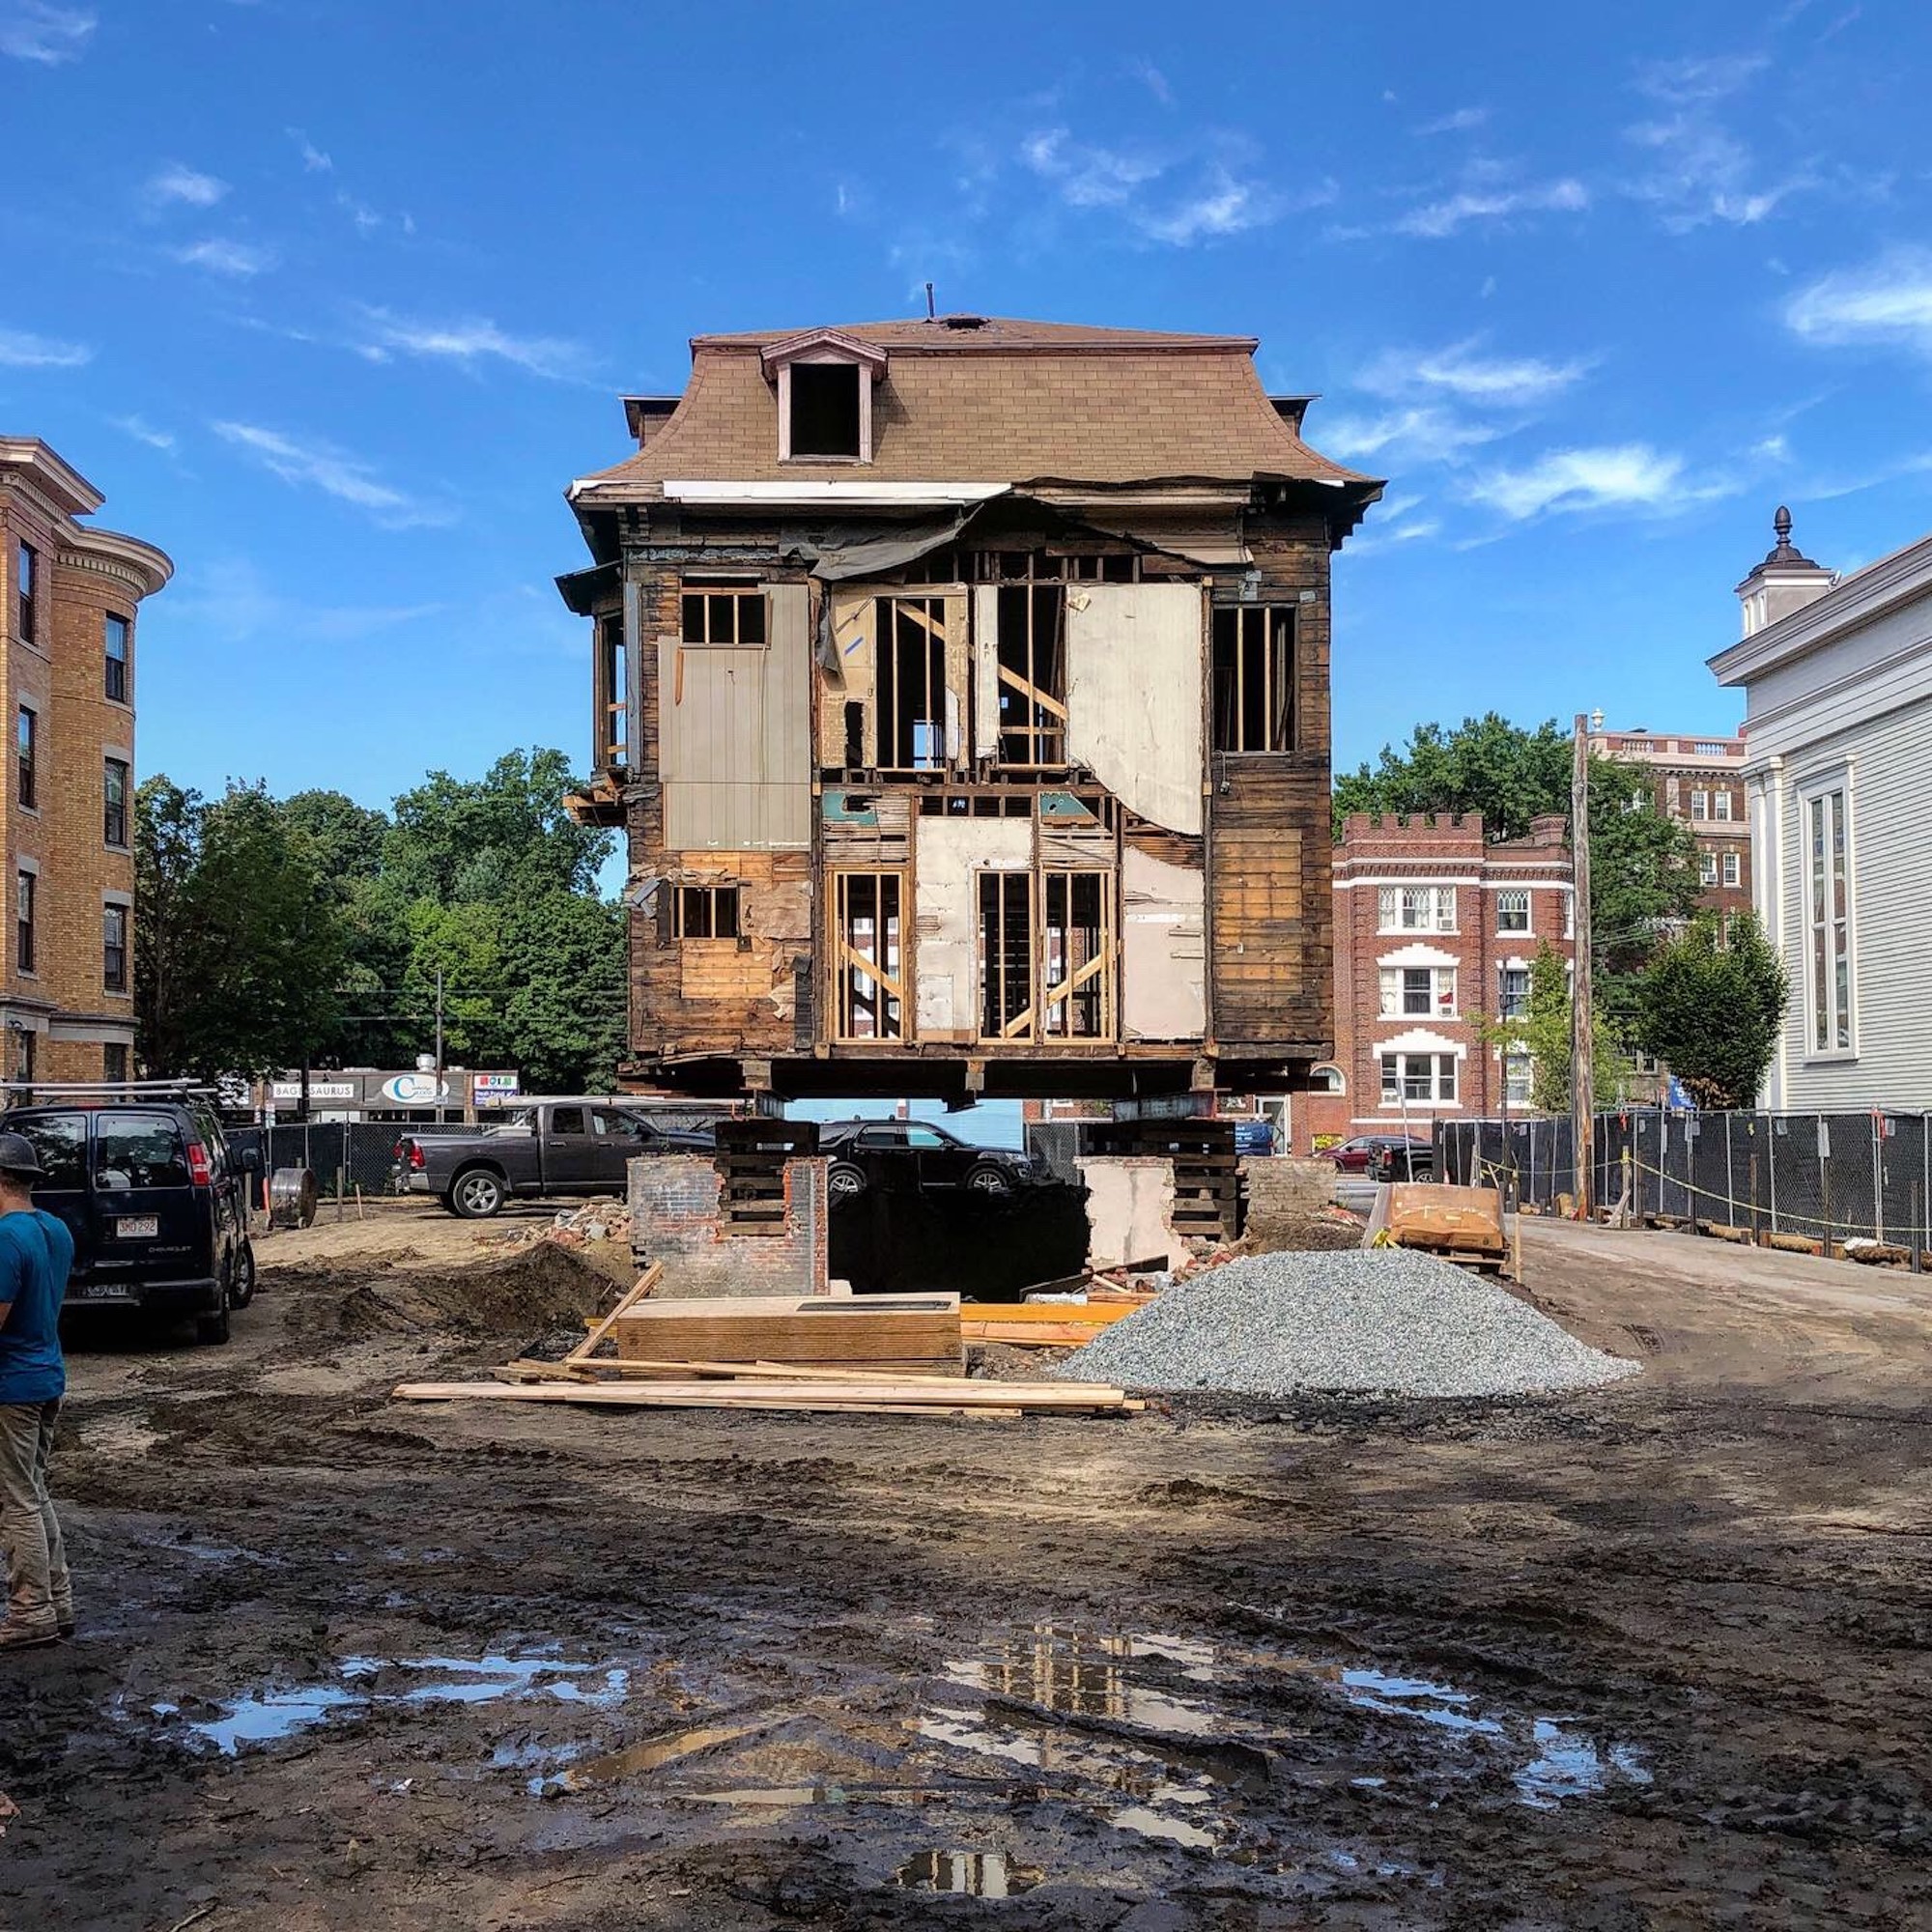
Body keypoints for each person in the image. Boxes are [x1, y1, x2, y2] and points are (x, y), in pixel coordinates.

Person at [0, 1132, 73, 1650]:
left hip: (13, 1387)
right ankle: (58, 1601)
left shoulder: (6, 1239)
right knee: (34, 1489)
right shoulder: (56, 1230)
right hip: (48, 1376)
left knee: (15, 1499)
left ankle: (30, 1611)